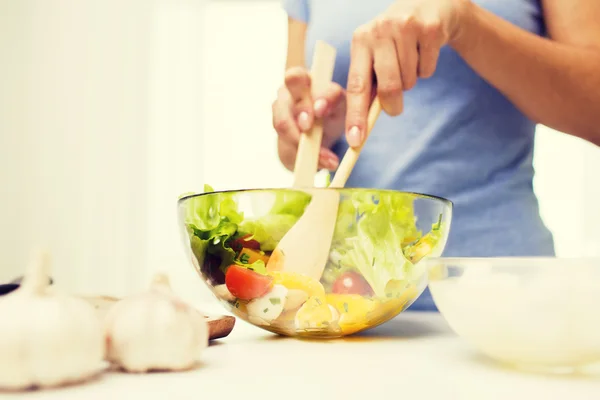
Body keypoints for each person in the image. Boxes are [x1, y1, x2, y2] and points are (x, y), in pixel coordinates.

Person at [271, 0, 600, 310]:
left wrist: (464, 20)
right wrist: (314, 127)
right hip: (347, 303)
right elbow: (293, 145)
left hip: (506, 301)